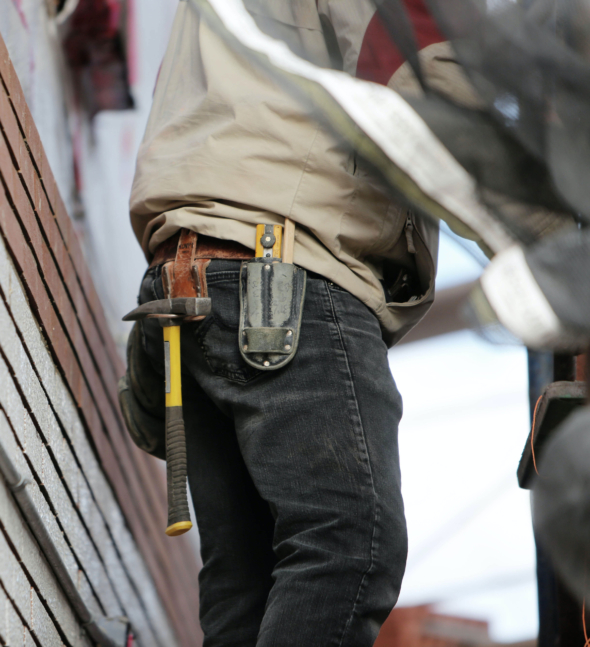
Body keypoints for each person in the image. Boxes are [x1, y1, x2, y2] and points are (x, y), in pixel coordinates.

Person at [125, 1, 452, 645]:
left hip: (195, 278)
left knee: (245, 586)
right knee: (352, 542)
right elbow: (437, 93)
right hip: (281, 269)